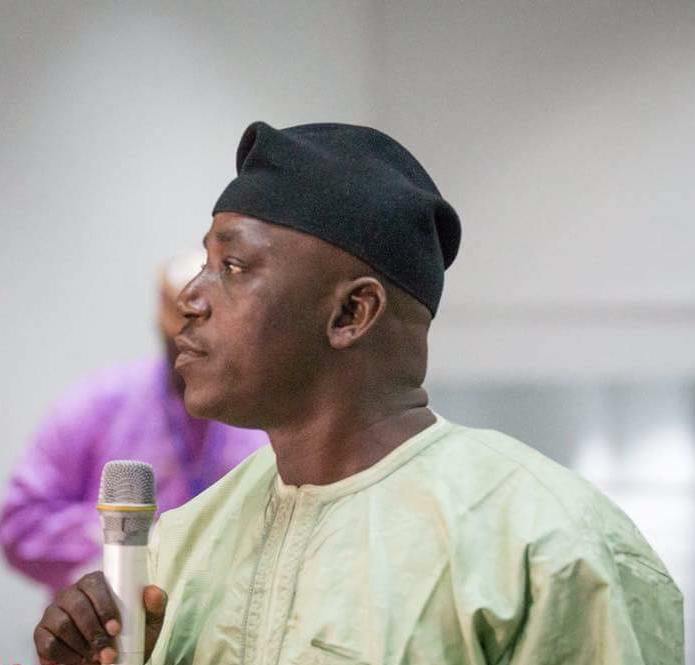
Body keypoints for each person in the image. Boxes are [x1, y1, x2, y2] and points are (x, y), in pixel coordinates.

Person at [34, 122, 683, 665]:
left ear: (351, 313)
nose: (190, 299)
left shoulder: (547, 547)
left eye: (231, 266)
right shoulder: (183, 544)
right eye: (204, 264)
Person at [1, 252, 267, 594]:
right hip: (112, 616)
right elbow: (19, 524)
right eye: (182, 339)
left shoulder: (259, 419)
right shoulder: (98, 404)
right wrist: (128, 536)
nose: (193, 350)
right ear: (162, 328)